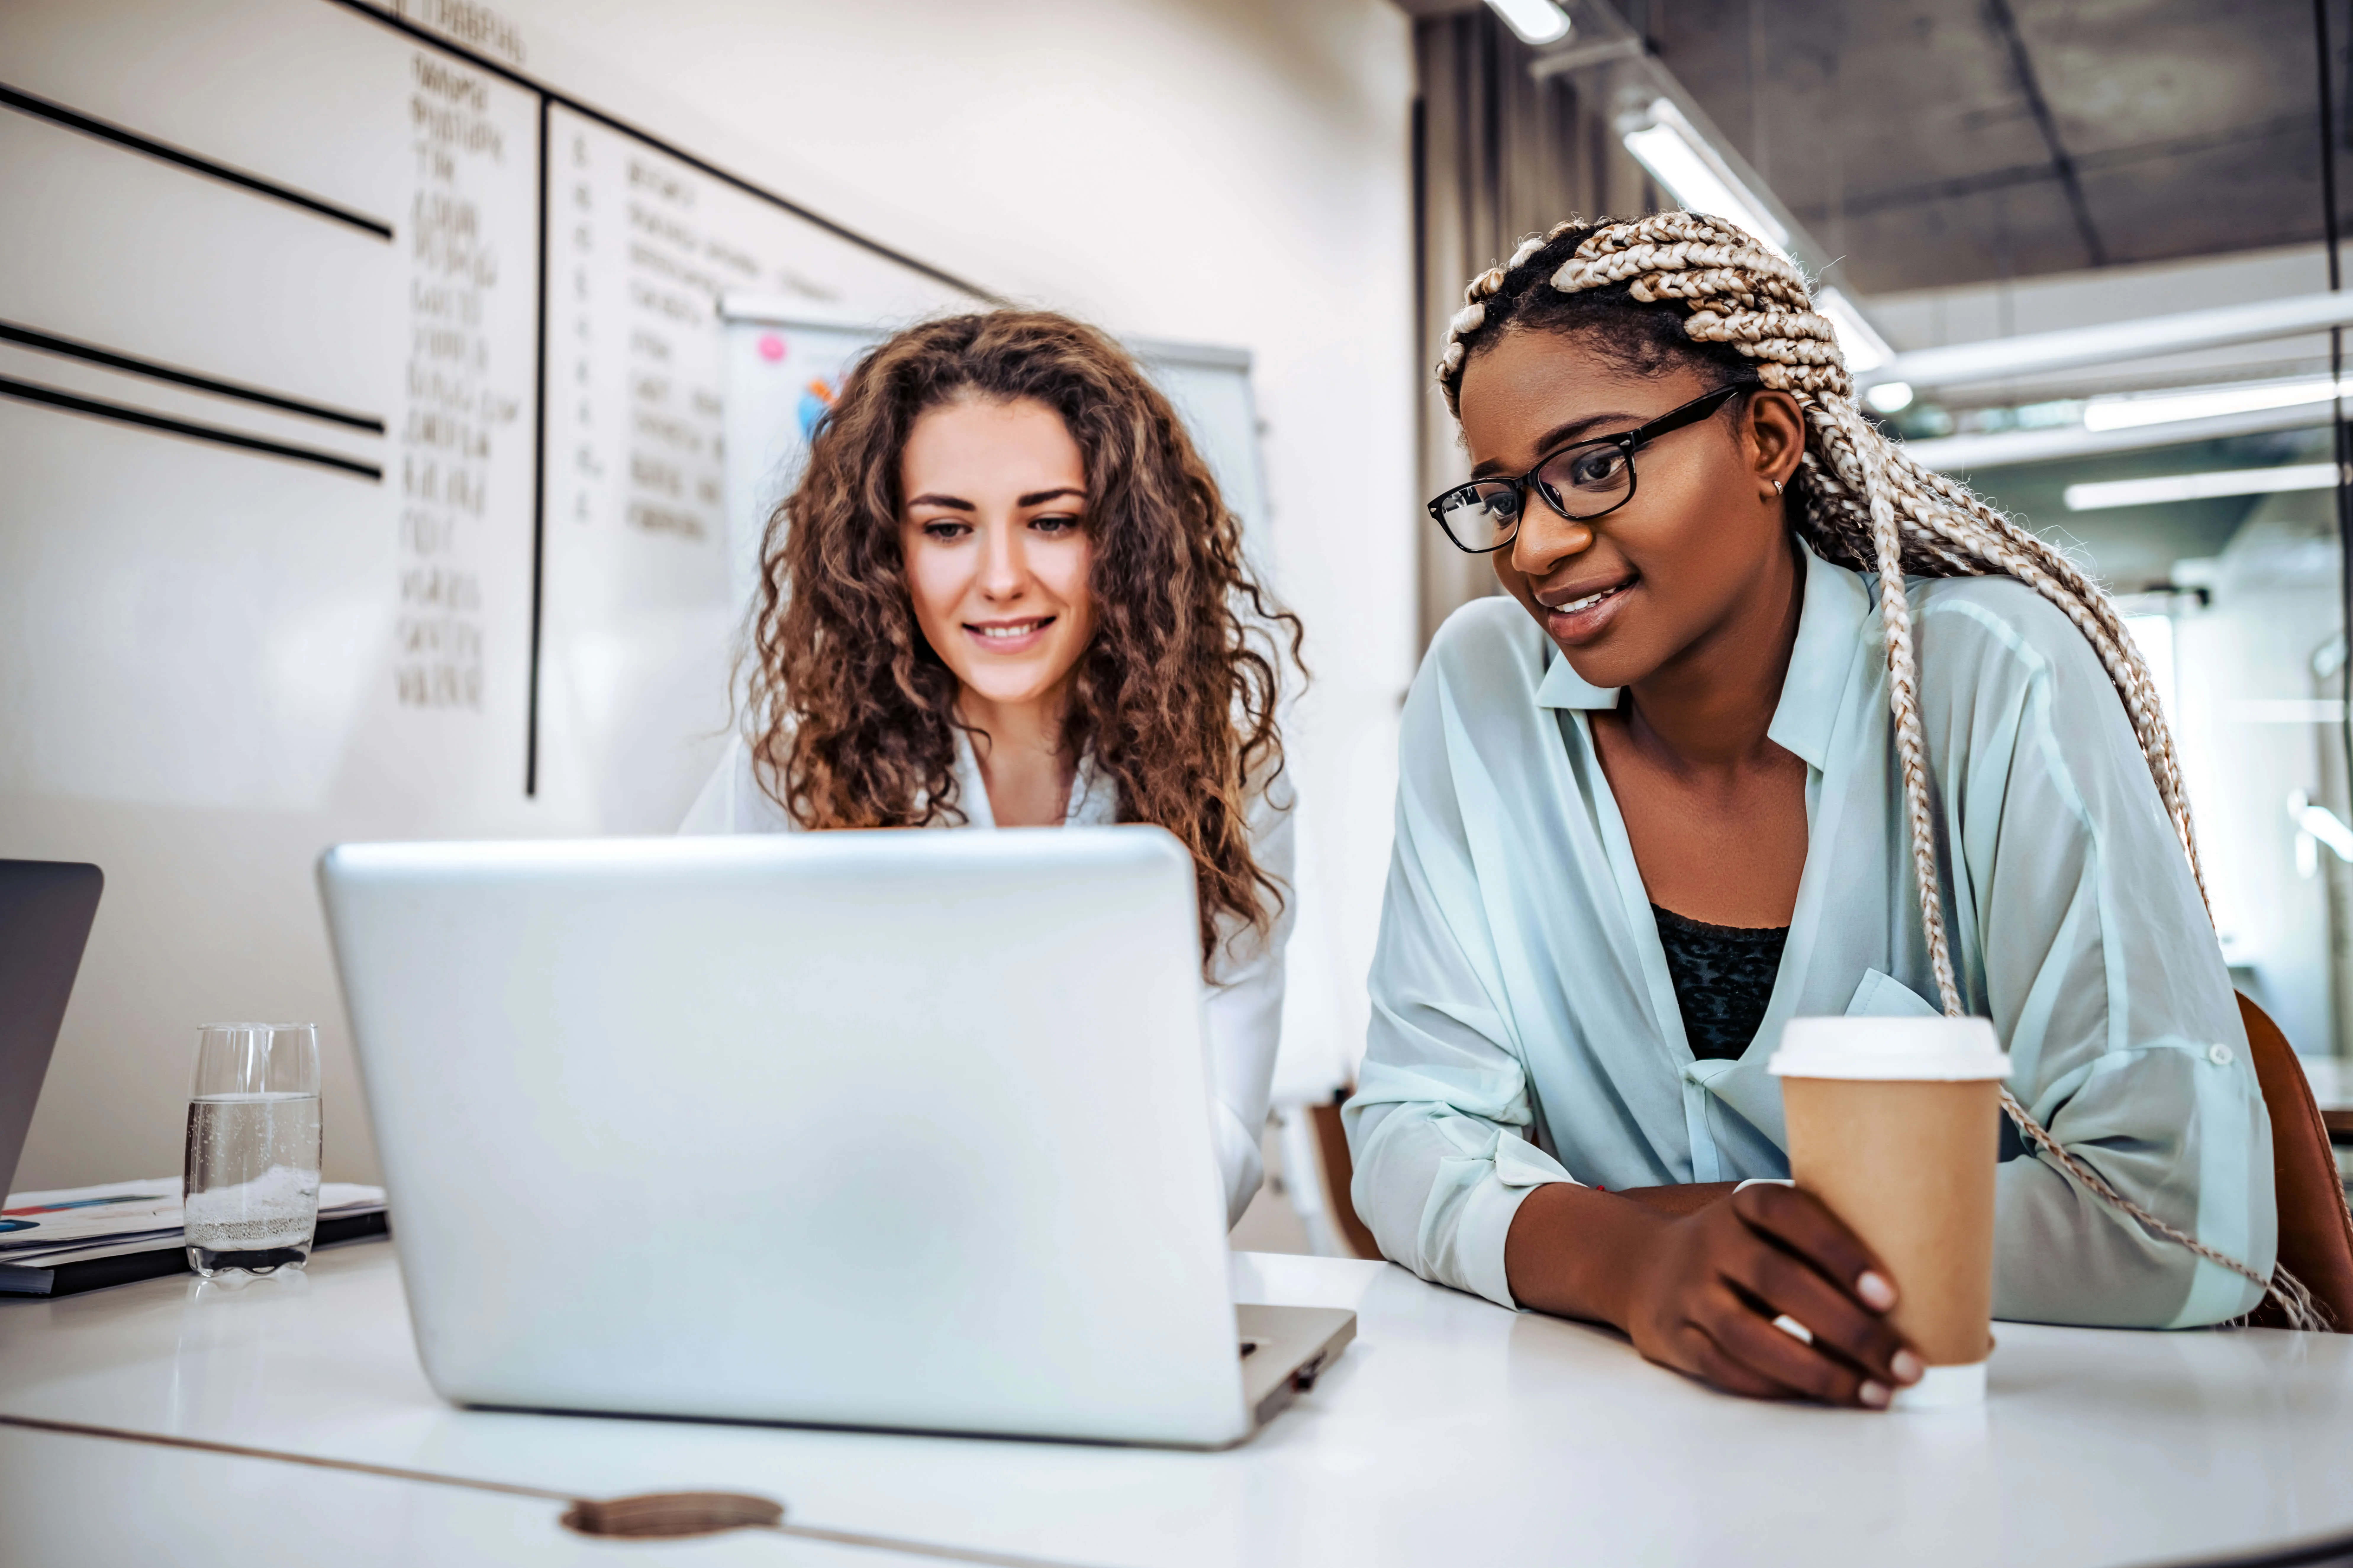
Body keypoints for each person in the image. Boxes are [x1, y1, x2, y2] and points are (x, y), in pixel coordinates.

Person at [1346, 211, 2281, 1409]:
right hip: (1606, 1447)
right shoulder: (1476, 688)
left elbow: (2173, 1219)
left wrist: (1686, 1232)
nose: (1531, 546)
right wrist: (1632, 1265)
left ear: (1767, 441)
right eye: (1498, 495)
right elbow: (1406, 1133)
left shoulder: (1995, 679)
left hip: (1989, 1449)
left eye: (1591, 466)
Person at [683, 311, 1301, 1227]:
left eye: (1052, 522)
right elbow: (689, 1070)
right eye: (947, 529)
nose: (1002, 576)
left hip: (1108, 1277)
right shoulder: (792, 765)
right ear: (886, 552)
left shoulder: (1231, 777)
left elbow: (1217, 1146)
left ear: (1125, 542)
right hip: (832, 1268)